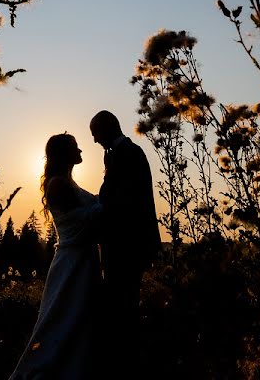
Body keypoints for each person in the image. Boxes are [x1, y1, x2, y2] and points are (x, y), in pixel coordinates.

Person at [10, 133, 103, 380]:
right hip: (73, 265)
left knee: (80, 321)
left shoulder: (67, 182)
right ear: (65, 153)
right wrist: (105, 202)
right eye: (75, 147)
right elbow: (85, 219)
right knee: (63, 319)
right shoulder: (58, 185)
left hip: (84, 260)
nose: (81, 150)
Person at [90, 110, 159, 375]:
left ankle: (127, 363)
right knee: (120, 305)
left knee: (125, 306)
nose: (94, 140)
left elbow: (127, 202)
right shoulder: (115, 153)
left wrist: (97, 210)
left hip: (127, 246)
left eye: (95, 133)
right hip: (118, 246)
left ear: (108, 127)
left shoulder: (130, 153)